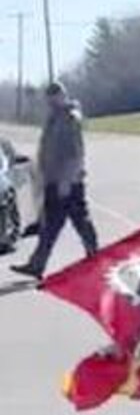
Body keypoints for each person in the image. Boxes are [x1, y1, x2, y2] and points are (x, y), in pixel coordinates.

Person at [11, 82, 99, 279]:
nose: (50, 101)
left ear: (62, 95)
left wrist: (66, 181)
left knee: (81, 222)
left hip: (68, 181)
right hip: (54, 180)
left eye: (54, 96)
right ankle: (37, 265)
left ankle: (95, 258)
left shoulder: (69, 118)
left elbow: (75, 153)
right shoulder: (54, 117)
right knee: (50, 225)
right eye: (48, 98)